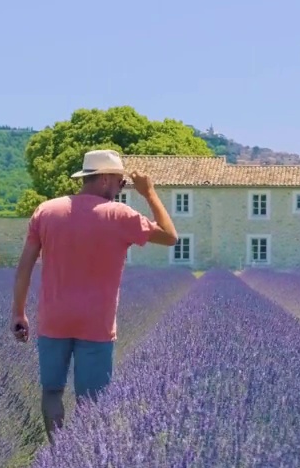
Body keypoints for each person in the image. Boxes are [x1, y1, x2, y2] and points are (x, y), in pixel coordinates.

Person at [11, 149, 178, 443]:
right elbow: (170, 236)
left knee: (51, 392)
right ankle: (86, 458)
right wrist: (149, 193)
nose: (120, 189)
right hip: (96, 324)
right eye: (120, 182)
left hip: (54, 320)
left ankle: (58, 455)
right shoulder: (120, 215)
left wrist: (18, 312)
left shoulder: (46, 211)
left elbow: (25, 265)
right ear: (103, 179)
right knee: (92, 401)